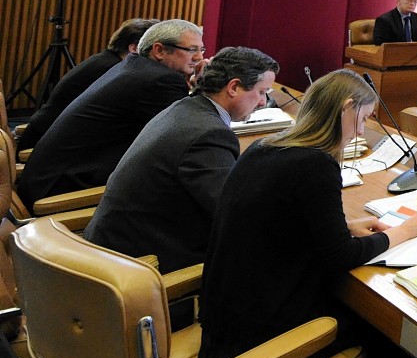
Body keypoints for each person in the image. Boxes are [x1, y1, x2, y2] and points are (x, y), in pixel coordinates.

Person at [197, 70, 417, 358]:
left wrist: (346, 227)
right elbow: (341, 256)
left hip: (226, 316)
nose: (360, 132)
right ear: (346, 108)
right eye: (363, 118)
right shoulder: (315, 165)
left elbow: (278, 222)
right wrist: (402, 232)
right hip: (260, 331)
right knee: (383, 334)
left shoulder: (265, 147)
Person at [84, 47, 278, 274]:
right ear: (234, 87)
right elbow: (232, 213)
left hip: (117, 243)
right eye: (262, 92)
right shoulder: (209, 134)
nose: (264, 102)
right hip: (138, 264)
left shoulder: (186, 108)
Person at [17, 19, 205, 209]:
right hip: (62, 189)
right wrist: (208, 88)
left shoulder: (132, 67)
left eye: (201, 50)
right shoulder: (160, 80)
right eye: (192, 50)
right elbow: (185, 136)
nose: (198, 57)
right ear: (159, 50)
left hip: (44, 179)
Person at [17, 16, 157, 150]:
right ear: (134, 48)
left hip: (47, 136)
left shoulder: (104, 61)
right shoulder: (112, 70)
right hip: (48, 144)